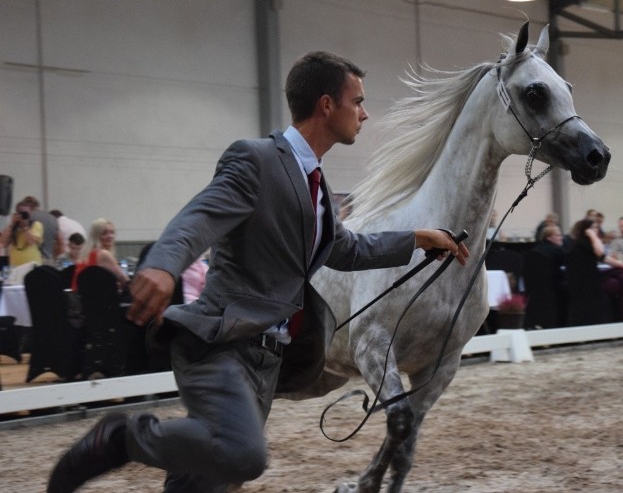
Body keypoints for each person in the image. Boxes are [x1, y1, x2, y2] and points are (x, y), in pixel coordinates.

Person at [47, 50, 468, 493]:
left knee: (207, 480)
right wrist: (164, 264)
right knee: (243, 455)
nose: (365, 114)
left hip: (268, 358)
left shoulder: (317, 184)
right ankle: (119, 438)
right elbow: (201, 216)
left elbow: (346, 249)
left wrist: (420, 238)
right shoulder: (257, 158)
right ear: (327, 105)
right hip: (222, 346)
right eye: (358, 101)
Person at [70, 218, 130, 293]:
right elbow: (125, 281)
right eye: (104, 233)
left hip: (80, 300)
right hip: (100, 302)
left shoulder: (86, 254)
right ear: (96, 236)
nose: (110, 236)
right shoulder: (104, 254)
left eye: (112, 232)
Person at [0, 200, 44, 267]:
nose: (23, 216)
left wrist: (24, 227)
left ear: (31, 213)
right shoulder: (14, 227)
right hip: (15, 265)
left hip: (32, 265)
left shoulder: (36, 225)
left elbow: (31, 241)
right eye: (21, 213)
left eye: (26, 213)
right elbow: (3, 242)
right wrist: (11, 225)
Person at [19, 195, 61, 262]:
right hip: (48, 259)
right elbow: (60, 242)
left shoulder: (28, 218)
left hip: (32, 259)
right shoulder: (52, 218)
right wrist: (56, 258)